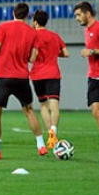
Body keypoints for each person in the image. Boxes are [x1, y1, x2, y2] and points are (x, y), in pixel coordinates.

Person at [0, 2, 48, 161]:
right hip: (22, 77)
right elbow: (32, 58)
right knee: (29, 110)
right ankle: (41, 145)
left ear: (13, 13)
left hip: (4, 75)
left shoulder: (3, 27)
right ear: (27, 15)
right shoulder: (33, 33)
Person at [73, 1, 99, 160]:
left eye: (78, 15)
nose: (76, 18)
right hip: (93, 76)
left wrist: (93, 51)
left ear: (88, 14)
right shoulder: (87, 30)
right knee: (96, 112)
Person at [30, 10, 69, 149]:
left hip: (37, 74)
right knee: (54, 106)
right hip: (53, 73)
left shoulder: (33, 35)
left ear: (35, 21)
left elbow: (32, 57)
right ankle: (54, 131)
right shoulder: (54, 36)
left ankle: (49, 135)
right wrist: (53, 54)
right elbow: (66, 53)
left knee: (43, 105)